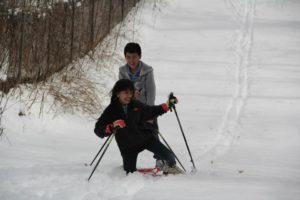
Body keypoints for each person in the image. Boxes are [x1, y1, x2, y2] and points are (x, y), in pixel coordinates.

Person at [94, 79, 183, 174]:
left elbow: (151, 111)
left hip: (145, 139)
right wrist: (111, 127)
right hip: (128, 147)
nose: (129, 96)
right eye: (126, 93)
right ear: (118, 93)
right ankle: (127, 169)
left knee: (170, 158)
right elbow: (98, 129)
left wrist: (167, 105)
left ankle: (168, 168)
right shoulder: (111, 110)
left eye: (131, 93)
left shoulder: (136, 105)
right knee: (129, 172)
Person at [119, 42, 164, 168]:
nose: (131, 60)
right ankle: (128, 160)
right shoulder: (122, 71)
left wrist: (150, 113)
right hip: (129, 109)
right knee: (126, 135)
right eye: (128, 57)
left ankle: (160, 158)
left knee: (152, 132)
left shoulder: (147, 71)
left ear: (140, 56)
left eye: (134, 57)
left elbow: (151, 92)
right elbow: (120, 92)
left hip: (145, 109)